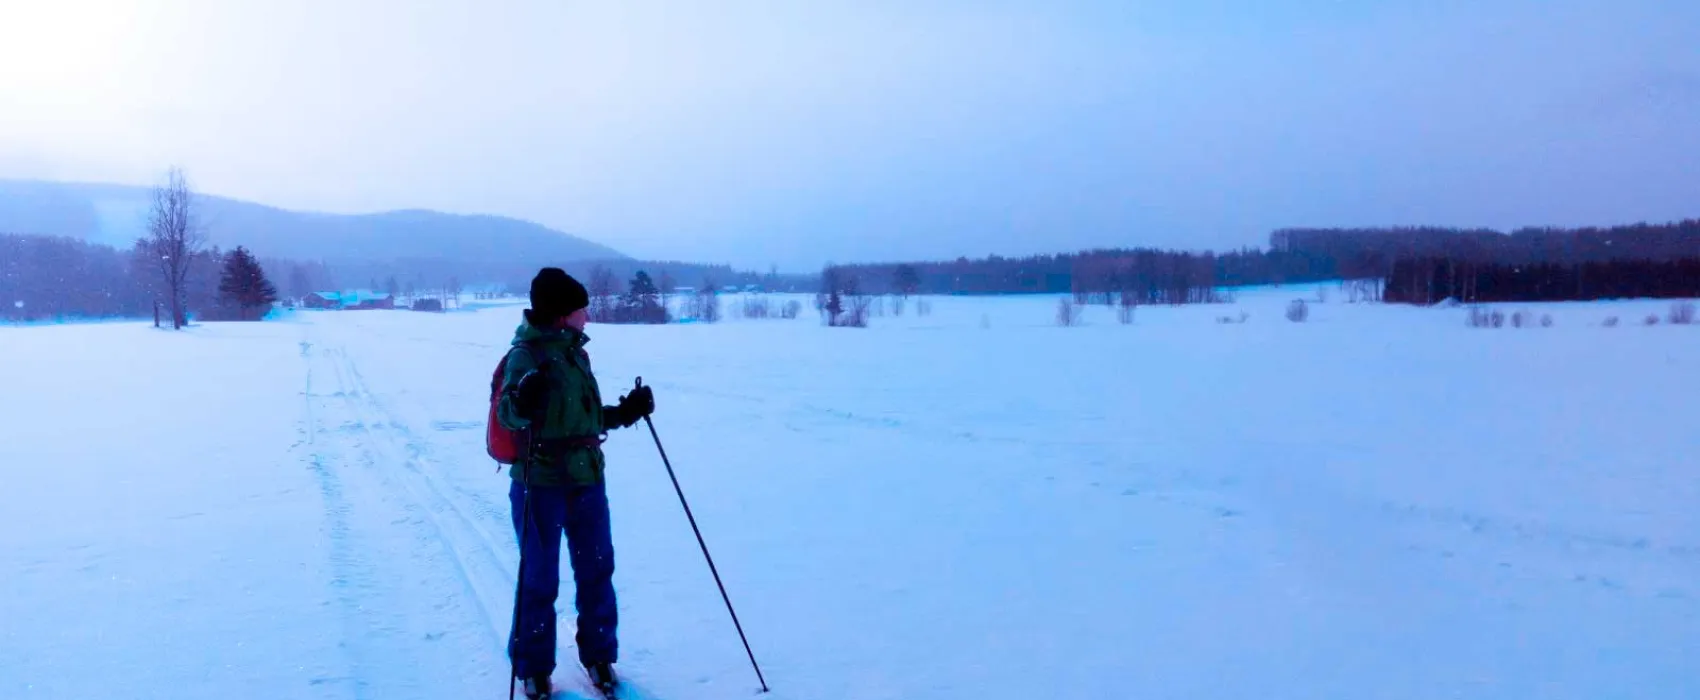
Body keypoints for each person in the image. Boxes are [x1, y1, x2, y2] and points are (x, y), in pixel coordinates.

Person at [498, 267, 655, 699]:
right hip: (539, 483)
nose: (587, 315)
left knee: (597, 569)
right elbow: (508, 414)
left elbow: (583, 419)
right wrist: (522, 400)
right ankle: (533, 667)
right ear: (561, 313)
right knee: (539, 577)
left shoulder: (576, 355)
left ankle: (600, 656)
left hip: (587, 480)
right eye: (581, 309)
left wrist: (626, 412)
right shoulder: (525, 355)